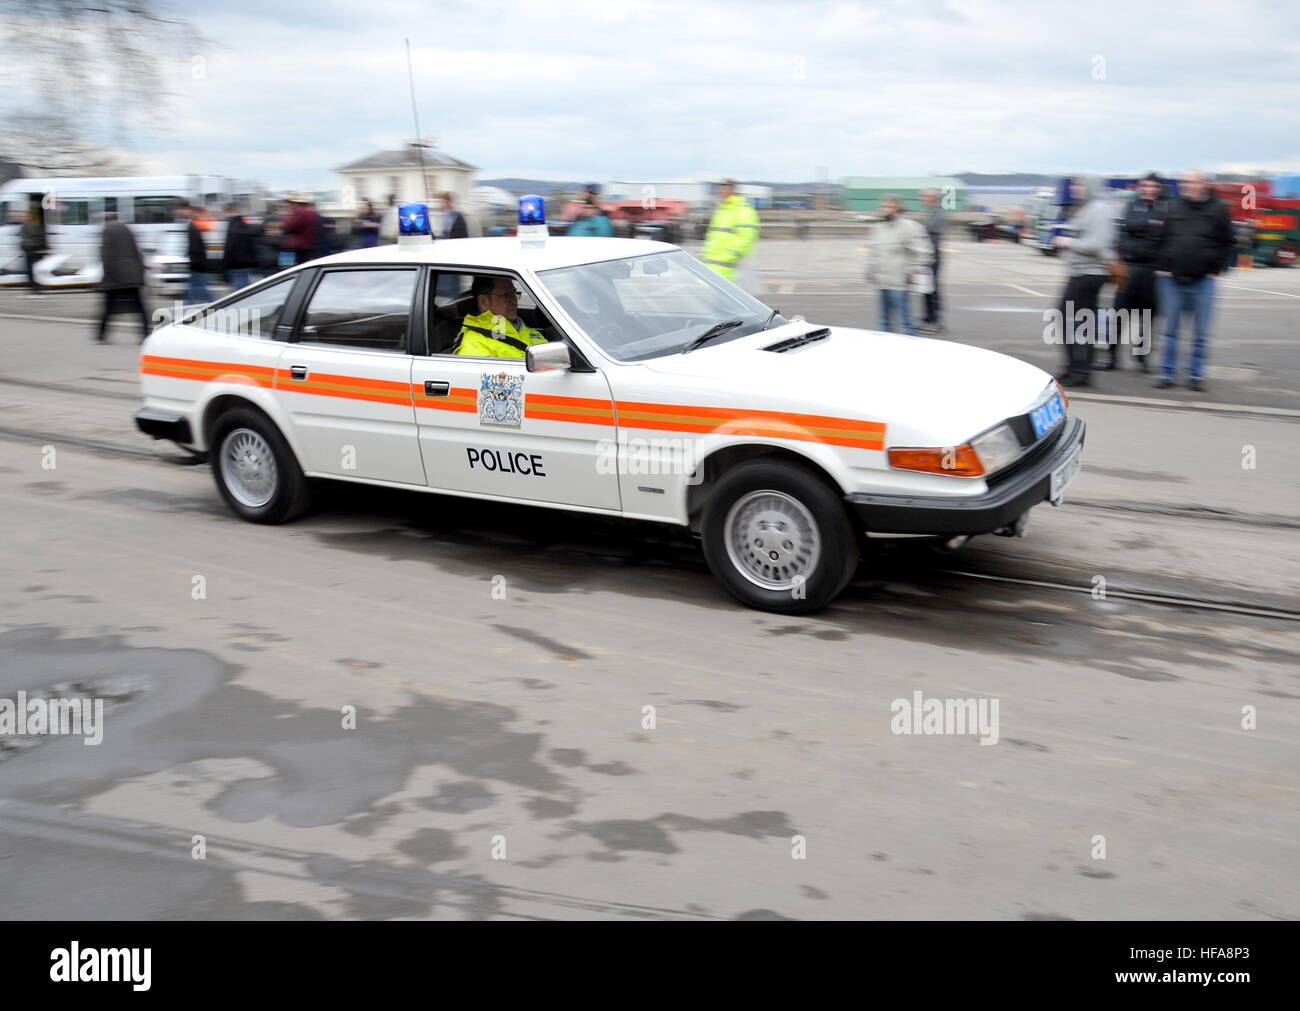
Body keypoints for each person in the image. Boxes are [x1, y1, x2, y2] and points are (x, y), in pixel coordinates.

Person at [1154, 170, 1234, 393]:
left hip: (1203, 282)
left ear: (1203, 184)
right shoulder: (1176, 208)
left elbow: (1228, 242)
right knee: (1169, 332)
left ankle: (1195, 376)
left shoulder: (1218, 210)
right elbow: (1163, 239)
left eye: (1190, 182)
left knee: (1200, 334)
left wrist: (1217, 269)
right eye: (1183, 182)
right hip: (1172, 281)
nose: (1185, 185)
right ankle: (1166, 373)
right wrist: (1163, 267)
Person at [1051, 175, 1116, 387]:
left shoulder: (1099, 210)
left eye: (1079, 185)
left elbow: (1097, 244)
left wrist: (1068, 242)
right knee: (1075, 322)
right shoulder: (1087, 208)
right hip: (1081, 273)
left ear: (1089, 187)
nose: (1076, 189)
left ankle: (1079, 371)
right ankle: (1076, 369)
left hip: (1090, 275)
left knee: (1069, 320)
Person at [1106, 173, 1166, 372]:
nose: (1150, 189)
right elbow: (1129, 224)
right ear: (1140, 188)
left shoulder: (1166, 208)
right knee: (1119, 315)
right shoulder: (1132, 205)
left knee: (1148, 319)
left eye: (1154, 186)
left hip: (1151, 271)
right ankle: (1111, 358)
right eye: (1146, 186)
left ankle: (1142, 359)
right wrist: (1152, 224)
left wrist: (1143, 227)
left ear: (1159, 189)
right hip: (1129, 268)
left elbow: (1163, 234)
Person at [865, 194, 932, 337]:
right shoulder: (877, 228)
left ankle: (912, 349)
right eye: (884, 206)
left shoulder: (909, 227)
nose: (886, 210)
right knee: (884, 322)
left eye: (890, 207)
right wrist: (870, 269)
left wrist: (912, 271)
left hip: (900, 284)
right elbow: (874, 252)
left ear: (898, 208)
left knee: (906, 322)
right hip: (883, 283)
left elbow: (923, 252)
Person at [453, 276, 549, 358]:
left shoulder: (521, 329)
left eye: (514, 294)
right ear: (483, 302)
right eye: (506, 295)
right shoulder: (474, 343)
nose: (514, 301)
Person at [96, 212, 149, 343]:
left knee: (108, 307)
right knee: (140, 306)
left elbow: (106, 256)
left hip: (116, 277)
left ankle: (101, 335)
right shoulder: (127, 228)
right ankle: (146, 333)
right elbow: (138, 252)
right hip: (133, 274)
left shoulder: (107, 230)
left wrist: (106, 278)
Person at [700, 179, 759, 281]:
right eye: (719, 189)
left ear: (732, 190)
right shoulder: (722, 210)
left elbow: (746, 237)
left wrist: (730, 256)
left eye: (723, 188)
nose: (720, 192)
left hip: (728, 269)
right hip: (714, 266)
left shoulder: (743, 210)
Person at [917, 188, 946, 334]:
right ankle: (927, 318)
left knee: (933, 290)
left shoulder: (938, 213)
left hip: (933, 257)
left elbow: (928, 230)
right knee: (926, 289)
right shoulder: (930, 212)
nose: (922, 199)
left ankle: (936, 321)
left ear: (932, 198)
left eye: (924, 197)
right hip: (926, 257)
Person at [179, 200, 212, 304]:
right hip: (199, 262)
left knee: (198, 289)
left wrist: (193, 260)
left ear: (186, 209)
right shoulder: (194, 224)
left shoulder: (193, 225)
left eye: (181, 210)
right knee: (195, 289)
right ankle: (189, 308)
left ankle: (214, 305)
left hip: (197, 263)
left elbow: (195, 246)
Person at [220, 203, 259, 291]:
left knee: (240, 293)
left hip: (236, 265)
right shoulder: (246, 225)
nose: (224, 215)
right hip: (248, 264)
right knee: (246, 289)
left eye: (225, 212)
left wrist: (224, 267)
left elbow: (229, 248)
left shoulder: (232, 226)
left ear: (230, 212)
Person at [281, 193, 322, 266]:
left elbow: (289, 226)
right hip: (309, 246)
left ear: (295, 204)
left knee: (287, 269)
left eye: (290, 203)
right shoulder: (313, 212)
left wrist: (286, 216)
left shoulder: (299, 212)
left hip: (296, 247)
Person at [19, 208, 47, 297]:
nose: (23, 217)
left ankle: (36, 287)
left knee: (31, 270)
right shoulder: (30, 224)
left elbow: (31, 237)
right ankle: (35, 287)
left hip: (31, 250)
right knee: (31, 270)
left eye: (25, 215)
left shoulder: (31, 224)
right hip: (30, 249)